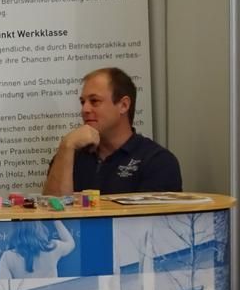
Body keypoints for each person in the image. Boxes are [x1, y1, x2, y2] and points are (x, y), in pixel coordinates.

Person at [43, 67, 182, 196]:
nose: (85, 109)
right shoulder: (70, 156)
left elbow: (150, 215)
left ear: (123, 105)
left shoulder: (157, 161)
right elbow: (51, 210)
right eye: (82, 102)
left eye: (94, 101)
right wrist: (66, 146)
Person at [0, 219, 75, 278]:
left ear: (15, 230)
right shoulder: (52, 248)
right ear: (39, 227)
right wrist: (56, 219)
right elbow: (71, 243)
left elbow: (3, 286)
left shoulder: (7, 257)